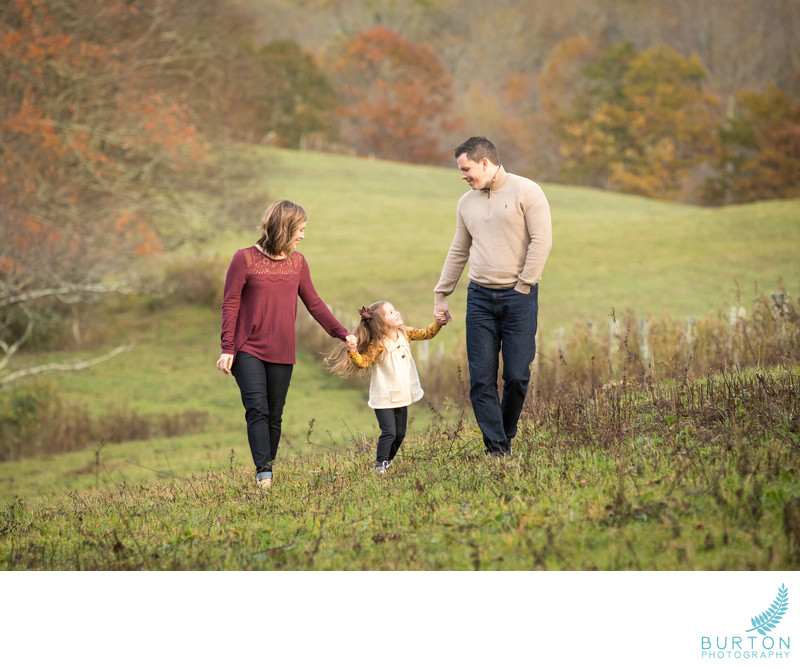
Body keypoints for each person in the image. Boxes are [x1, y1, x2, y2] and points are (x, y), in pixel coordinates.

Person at [216, 199, 357, 488]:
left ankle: (268, 468)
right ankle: (264, 476)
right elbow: (230, 303)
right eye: (300, 230)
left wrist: (342, 333)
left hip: (282, 350)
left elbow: (314, 303)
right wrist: (228, 348)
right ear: (285, 228)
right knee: (257, 408)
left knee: (275, 414)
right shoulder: (243, 259)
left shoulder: (298, 263)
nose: (303, 236)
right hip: (248, 349)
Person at [433, 136, 552, 457]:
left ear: (485, 162)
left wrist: (525, 285)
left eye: (466, 168)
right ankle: (497, 450)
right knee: (481, 381)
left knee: (516, 375)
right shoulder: (466, 203)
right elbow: (459, 249)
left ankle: (504, 435)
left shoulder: (527, 191)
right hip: (480, 300)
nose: (463, 176)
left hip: (519, 297)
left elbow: (542, 241)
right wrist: (441, 294)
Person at [326, 301, 446, 473]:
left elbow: (427, 333)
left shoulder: (405, 333)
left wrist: (438, 323)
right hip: (383, 397)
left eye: (395, 309)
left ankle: (387, 462)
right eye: (390, 313)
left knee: (400, 435)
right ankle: (379, 465)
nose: (396, 313)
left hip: (402, 394)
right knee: (389, 432)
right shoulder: (379, 344)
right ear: (381, 323)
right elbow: (363, 362)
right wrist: (352, 350)